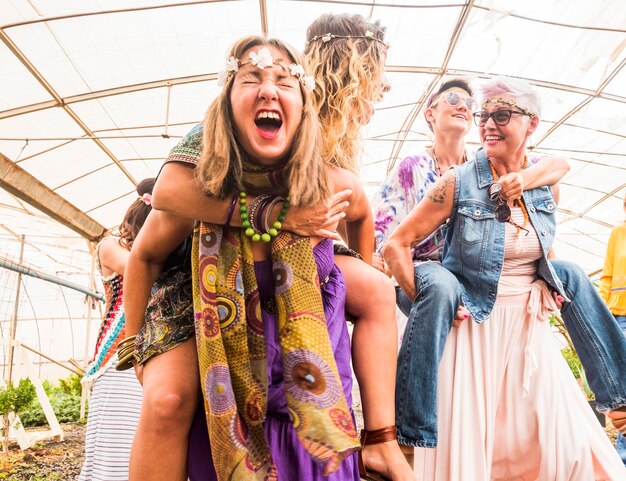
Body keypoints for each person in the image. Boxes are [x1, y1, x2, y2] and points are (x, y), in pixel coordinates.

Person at [149, 13, 415, 481]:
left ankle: (382, 438)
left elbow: (352, 200)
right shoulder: (239, 112)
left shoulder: (318, 121)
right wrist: (279, 216)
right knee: (168, 402)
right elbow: (169, 192)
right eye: (377, 71)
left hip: (299, 253)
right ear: (352, 65)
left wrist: (350, 258)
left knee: (375, 290)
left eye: (282, 79)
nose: (385, 86)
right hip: (216, 258)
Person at [382, 77, 626, 480]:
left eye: (502, 115)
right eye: (484, 116)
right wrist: (433, 303)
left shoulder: (545, 187)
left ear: (531, 125)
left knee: (560, 446)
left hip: (525, 329)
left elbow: (553, 202)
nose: (488, 125)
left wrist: (544, 279)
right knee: (474, 450)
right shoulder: (457, 181)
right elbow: (395, 245)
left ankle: (618, 398)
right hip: (475, 325)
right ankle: (409, 436)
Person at [78, 179, 153, 481]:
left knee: (143, 448)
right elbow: (138, 268)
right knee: (115, 451)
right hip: (117, 361)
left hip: (153, 358)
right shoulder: (111, 246)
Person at [600, 189, 626, 464]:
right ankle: (623, 458)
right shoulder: (618, 234)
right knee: (624, 392)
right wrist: (603, 314)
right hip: (620, 317)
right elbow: (607, 276)